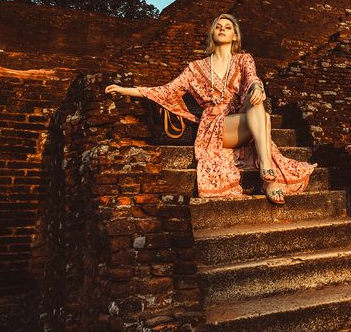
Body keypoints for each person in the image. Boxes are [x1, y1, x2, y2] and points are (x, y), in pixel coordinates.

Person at [104, 13, 317, 204]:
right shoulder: (195, 68)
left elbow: (252, 78)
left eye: (227, 27)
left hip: (242, 113)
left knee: (257, 100)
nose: (222, 29)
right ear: (212, 34)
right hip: (216, 126)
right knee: (265, 118)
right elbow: (167, 90)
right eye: (218, 26)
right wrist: (127, 90)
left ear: (235, 36)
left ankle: (265, 169)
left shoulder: (244, 59)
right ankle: (268, 176)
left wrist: (258, 87)